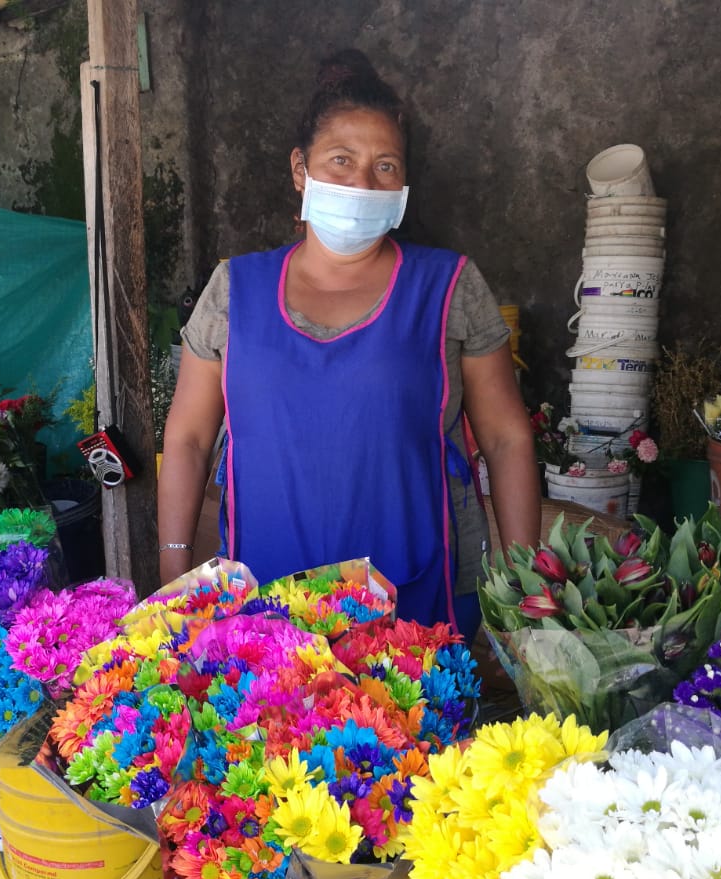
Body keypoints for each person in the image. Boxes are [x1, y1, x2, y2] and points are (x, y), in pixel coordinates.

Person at [157, 48, 539, 633]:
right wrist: (175, 578)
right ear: (299, 170)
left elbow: (508, 439)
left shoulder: (449, 286)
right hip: (264, 617)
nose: (363, 182)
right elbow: (185, 438)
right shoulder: (235, 290)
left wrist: (522, 595)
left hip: (413, 604)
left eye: (385, 166)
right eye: (341, 160)